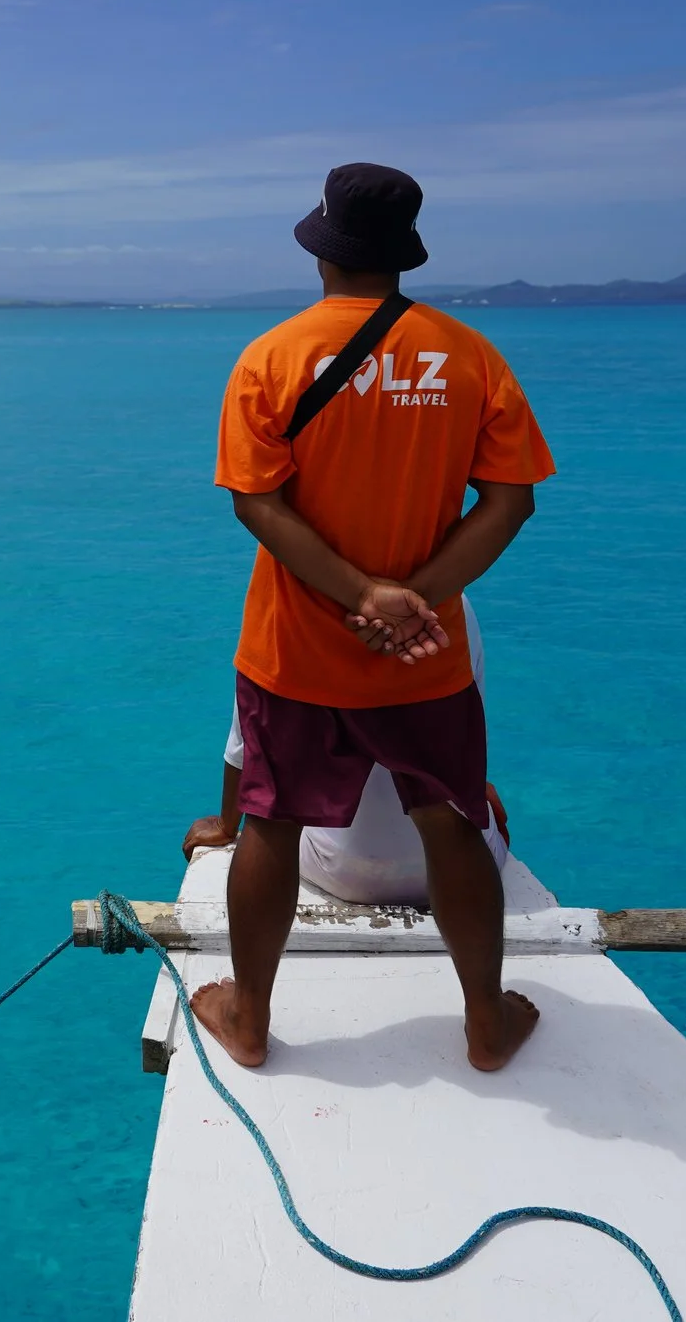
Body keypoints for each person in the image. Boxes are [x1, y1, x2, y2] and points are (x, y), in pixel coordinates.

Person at [192, 163, 554, 1073]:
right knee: (451, 822)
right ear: (401, 258)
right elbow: (509, 502)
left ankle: (250, 1020)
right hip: (421, 657)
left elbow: (257, 504)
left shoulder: (271, 357)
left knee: (270, 824)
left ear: (322, 250)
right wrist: (415, 597)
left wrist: (358, 594)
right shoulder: (470, 356)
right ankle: (483, 1023)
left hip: (295, 651)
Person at [182, 596, 513, 909]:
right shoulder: (454, 605)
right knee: (485, 816)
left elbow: (245, 748)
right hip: (458, 864)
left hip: (341, 870)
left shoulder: (288, 605)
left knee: (276, 824)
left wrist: (227, 825)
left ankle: (252, 973)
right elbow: (463, 731)